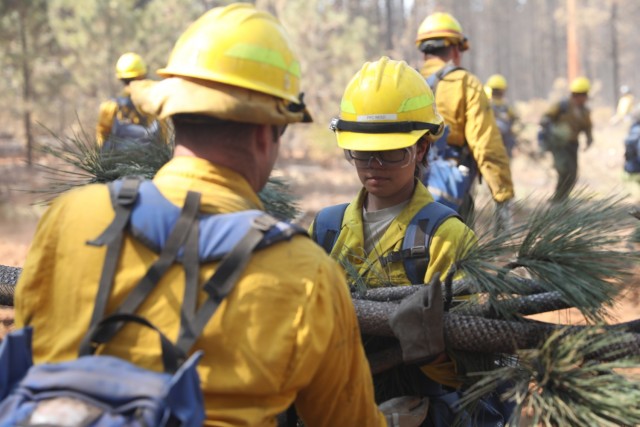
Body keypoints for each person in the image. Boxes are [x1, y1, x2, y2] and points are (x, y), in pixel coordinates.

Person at [14, 4, 426, 426]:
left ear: (173, 115)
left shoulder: (70, 217)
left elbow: (25, 354)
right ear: (268, 133)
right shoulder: (307, 277)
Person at [310, 57, 510, 426]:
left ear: (421, 148)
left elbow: (478, 372)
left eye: (391, 152)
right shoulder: (327, 229)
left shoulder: (445, 236)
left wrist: (430, 354)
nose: (374, 165)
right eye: (362, 152)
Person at [415, 11, 514, 229]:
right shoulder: (465, 83)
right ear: (455, 49)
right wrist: (502, 195)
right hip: (451, 190)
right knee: (456, 251)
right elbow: (486, 145)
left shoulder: (408, 81)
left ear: (424, 52)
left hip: (408, 185)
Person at [95, 52, 167, 150]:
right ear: (142, 75)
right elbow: (162, 137)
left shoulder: (109, 107)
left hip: (117, 163)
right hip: (150, 162)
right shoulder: (153, 103)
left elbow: (101, 139)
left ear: (120, 77)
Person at [538, 76, 593, 202]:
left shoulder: (585, 111)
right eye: (583, 95)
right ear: (576, 95)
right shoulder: (563, 105)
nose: (585, 98)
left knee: (572, 175)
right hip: (559, 145)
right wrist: (551, 128)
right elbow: (546, 117)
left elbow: (587, 127)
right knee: (564, 171)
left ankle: (562, 200)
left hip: (573, 145)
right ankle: (557, 200)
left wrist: (589, 139)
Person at [485, 74, 520, 158]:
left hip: (488, 146)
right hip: (505, 147)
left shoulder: (486, 106)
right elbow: (516, 122)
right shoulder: (507, 107)